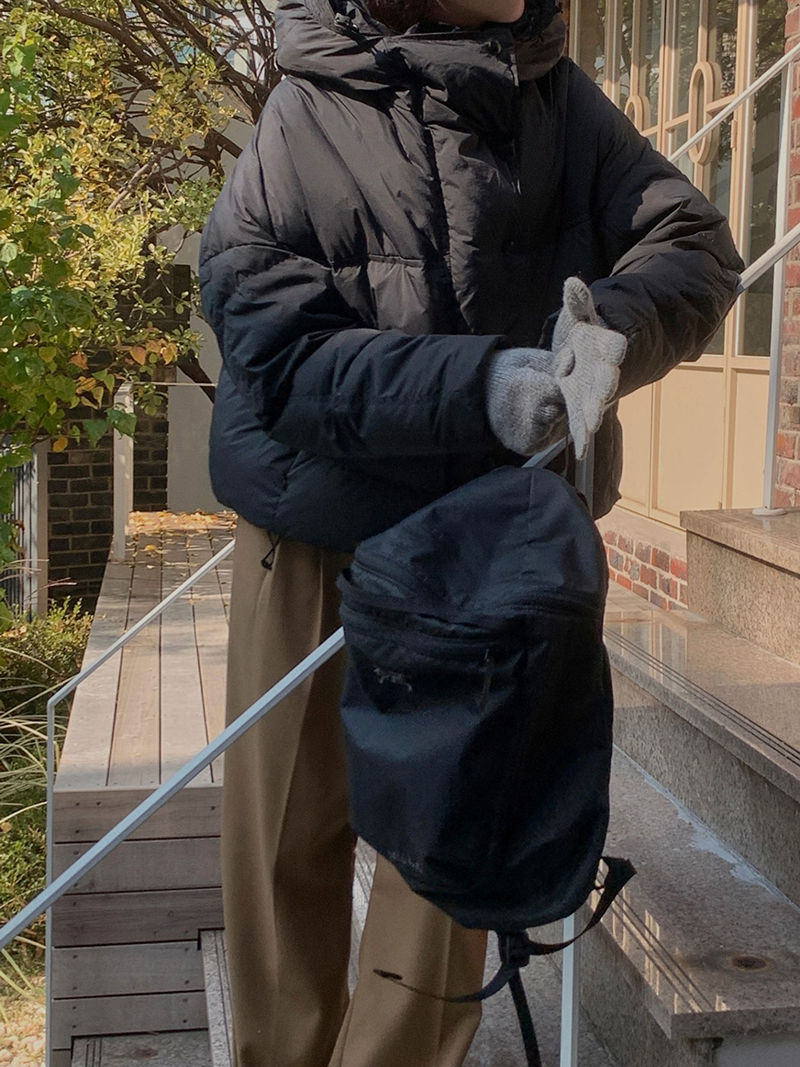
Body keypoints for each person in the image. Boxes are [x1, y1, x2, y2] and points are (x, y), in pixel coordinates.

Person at [198, 1, 743, 1065]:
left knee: (457, 855)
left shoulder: (559, 100)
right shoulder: (302, 109)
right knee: (284, 842)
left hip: (488, 553)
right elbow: (274, 349)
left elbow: (694, 243)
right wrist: (480, 385)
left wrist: (608, 328)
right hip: (313, 536)